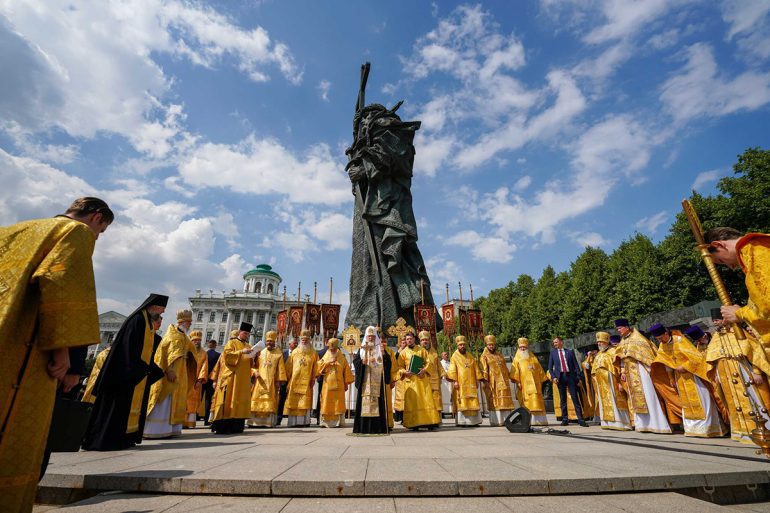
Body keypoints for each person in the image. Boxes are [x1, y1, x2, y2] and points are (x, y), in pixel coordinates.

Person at [0, 197, 112, 511]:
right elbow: (62, 288)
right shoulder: (74, 232)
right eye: (100, 231)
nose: (97, 238)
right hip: (28, 351)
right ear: (95, 217)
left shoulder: (17, 230)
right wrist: (65, 352)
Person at [83, 293, 168, 451]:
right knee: (114, 408)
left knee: (124, 409)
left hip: (134, 369)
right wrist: (140, 368)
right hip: (123, 372)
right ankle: (104, 440)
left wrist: (149, 368)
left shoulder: (146, 322)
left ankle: (124, 438)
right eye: (162, 309)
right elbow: (128, 348)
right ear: (154, 306)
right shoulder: (137, 320)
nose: (162, 313)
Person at [704, 312, 770, 443]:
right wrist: (716, 375)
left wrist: (756, 371)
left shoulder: (738, 332)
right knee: (734, 403)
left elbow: (755, 350)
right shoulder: (716, 336)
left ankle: (763, 429)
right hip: (725, 376)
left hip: (742, 371)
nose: (716, 323)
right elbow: (713, 359)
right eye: (714, 321)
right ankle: (742, 432)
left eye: (718, 320)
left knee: (753, 400)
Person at [650, 323, 722, 437]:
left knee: (702, 399)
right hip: (679, 377)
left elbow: (696, 357)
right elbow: (666, 363)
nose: (660, 341)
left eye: (660, 338)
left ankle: (708, 428)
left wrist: (685, 366)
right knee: (686, 402)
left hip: (693, 375)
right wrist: (670, 378)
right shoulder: (662, 346)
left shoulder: (680, 340)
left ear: (666, 333)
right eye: (657, 339)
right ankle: (692, 428)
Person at [706, 227, 770, 350]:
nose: (730, 266)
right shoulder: (756, 248)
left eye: (721, 260)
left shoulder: (755, 251)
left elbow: (767, 305)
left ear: (718, 244)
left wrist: (738, 313)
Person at [143, 309, 196, 439]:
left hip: (181, 374)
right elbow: (162, 356)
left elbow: (193, 351)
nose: (190, 325)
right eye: (189, 322)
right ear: (182, 322)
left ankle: (172, 428)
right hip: (169, 374)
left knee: (176, 401)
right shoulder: (170, 336)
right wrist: (168, 370)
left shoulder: (184, 336)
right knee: (164, 401)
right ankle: (156, 430)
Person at [613, 318, 671, 434]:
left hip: (642, 370)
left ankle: (657, 424)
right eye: (617, 329)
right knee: (635, 399)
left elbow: (648, 355)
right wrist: (623, 371)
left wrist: (650, 369)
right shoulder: (623, 341)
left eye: (619, 328)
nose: (618, 331)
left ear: (626, 327)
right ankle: (643, 424)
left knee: (649, 396)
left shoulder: (638, 338)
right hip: (630, 373)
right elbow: (621, 358)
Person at [210, 322, 258, 434]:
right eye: (245, 333)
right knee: (228, 400)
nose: (246, 335)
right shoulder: (231, 343)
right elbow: (227, 356)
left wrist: (253, 356)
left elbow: (251, 364)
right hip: (232, 377)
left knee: (240, 401)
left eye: (248, 334)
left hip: (243, 379)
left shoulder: (249, 346)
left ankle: (237, 426)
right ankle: (224, 426)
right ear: (240, 332)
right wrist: (241, 352)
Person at [352, 326, 392, 435]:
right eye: (369, 336)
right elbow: (355, 362)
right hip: (365, 379)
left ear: (375, 336)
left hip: (377, 381)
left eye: (373, 336)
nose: (370, 338)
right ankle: (362, 428)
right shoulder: (361, 348)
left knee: (378, 402)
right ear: (366, 336)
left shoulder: (380, 348)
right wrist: (361, 363)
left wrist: (384, 357)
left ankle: (377, 428)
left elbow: (388, 362)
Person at [397, 332, 440, 430]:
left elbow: (429, 362)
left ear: (414, 339)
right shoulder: (403, 353)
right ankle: (414, 424)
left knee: (426, 401)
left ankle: (429, 423)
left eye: (411, 339)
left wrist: (424, 370)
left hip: (422, 380)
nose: (409, 340)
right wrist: (404, 371)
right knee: (413, 403)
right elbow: (399, 366)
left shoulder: (422, 350)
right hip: (410, 381)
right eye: (407, 339)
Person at [591, 332, 632, 431]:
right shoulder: (598, 354)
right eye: (598, 343)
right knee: (603, 401)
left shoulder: (613, 351)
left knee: (614, 400)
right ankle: (607, 422)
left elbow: (618, 366)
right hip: (601, 383)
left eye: (601, 342)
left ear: (606, 342)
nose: (599, 344)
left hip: (612, 381)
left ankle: (620, 423)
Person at [548, 337, 587, 427]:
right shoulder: (553, 353)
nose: (555, 344)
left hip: (570, 377)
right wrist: (553, 377)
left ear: (561, 342)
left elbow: (576, 366)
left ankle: (581, 419)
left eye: (556, 342)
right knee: (563, 399)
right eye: (554, 343)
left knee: (575, 398)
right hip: (560, 377)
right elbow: (550, 368)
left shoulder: (569, 352)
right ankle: (565, 419)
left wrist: (578, 377)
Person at [250, 330, 287, 427]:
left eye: (271, 341)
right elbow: (252, 365)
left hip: (271, 382)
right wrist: (254, 372)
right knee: (256, 399)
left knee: (270, 400)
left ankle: (267, 422)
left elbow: (281, 368)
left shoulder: (278, 354)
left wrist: (279, 380)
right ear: (265, 342)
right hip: (259, 381)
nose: (269, 343)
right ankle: (254, 422)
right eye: (268, 341)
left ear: (274, 342)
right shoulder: (259, 353)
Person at [509, 337, 548, 426]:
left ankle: (539, 420)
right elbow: (514, 372)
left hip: (536, 384)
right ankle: (529, 420)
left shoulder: (533, 358)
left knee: (537, 401)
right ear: (519, 348)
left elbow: (539, 370)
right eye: (521, 347)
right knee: (527, 402)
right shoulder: (517, 359)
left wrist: (541, 381)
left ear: (527, 347)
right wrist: (517, 382)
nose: (523, 349)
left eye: (524, 347)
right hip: (524, 385)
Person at [283, 329, 318, 427]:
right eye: (302, 339)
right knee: (294, 402)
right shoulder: (294, 352)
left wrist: (313, 378)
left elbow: (316, 367)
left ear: (309, 340)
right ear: (300, 340)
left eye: (306, 339)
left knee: (304, 402)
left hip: (307, 382)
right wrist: (287, 380)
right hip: (294, 381)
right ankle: (293, 422)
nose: (304, 341)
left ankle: (304, 422)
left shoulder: (313, 353)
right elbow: (288, 367)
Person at [316, 338, 354, 427]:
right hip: (327, 384)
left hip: (339, 384)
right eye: (330, 347)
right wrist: (328, 362)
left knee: (338, 403)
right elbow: (318, 369)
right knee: (326, 402)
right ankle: (326, 422)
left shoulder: (342, 357)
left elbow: (346, 371)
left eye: (334, 347)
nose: (332, 349)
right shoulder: (326, 356)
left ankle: (338, 422)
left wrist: (346, 383)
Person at [478, 334, 515, 426]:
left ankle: (507, 420)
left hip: (504, 380)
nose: (491, 346)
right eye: (489, 345)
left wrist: (510, 376)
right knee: (495, 400)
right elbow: (484, 369)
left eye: (493, 345)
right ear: (486, 345)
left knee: (505, 400)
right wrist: (485, 381)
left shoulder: (499, 354)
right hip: (493, 381)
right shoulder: (484, 356)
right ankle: (497, 420)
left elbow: (505, 367)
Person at [446, 335, 482, 427]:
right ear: (457, 346)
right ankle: (463, 422)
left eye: (463, 345)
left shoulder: (470, 355)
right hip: (460, 383)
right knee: (462, 402)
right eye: (460, 345)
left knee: (472, 401)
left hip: (471, 383)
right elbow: (452, 370)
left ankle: (474, 421)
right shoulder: (454, 356)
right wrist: (455, 381)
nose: (462, 346)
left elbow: (475, 368)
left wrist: (477, 380)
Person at [185, 330, 208, 428]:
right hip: (185, 379)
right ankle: (180, 422)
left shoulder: (203, 353)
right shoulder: (186, 350)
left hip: (196, 381)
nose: (197, 342)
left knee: (193, 401)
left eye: (198, 340)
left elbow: (204, 367)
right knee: (183, 400)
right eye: (195, 340)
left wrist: (200, 380)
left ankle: (190, 422)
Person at [419, 331, 445, 420]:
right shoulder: (418, 351)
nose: (425, 341)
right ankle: (426, 419)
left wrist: (442, 374)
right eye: (423, 340)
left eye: (426, 339)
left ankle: (437, 419)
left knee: (436, 399)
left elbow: (438, 365)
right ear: (420, 341)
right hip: (423, 379)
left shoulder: (434, 352)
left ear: (429, 340)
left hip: (435, 379)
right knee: (425, 399)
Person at [277, 338, 298, 426]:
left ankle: (293, 420)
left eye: (297, 343)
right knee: (281, 400)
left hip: (295, 381)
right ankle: (278, 418)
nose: (296, 345)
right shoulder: (283, 354)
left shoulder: (299, 354)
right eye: (294, 343)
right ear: (289, 344)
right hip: (284, 381)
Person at [380, 334, 399, 429]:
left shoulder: (390, 351)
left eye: (384, 339)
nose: (382, 341)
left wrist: (393, 380)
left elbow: (394, 367)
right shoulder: (374, 350)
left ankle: (388, 423)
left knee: (387, 401)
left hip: (386, 379)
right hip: (376, 379)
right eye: (381, 339)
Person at [202, 339, 220, 425]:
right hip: (211, 380)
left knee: (199, 398)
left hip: (201, 379)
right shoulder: (217, 355)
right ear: (215, 345)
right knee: (208, 400)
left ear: (208, 345)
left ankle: (193, 417)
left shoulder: (203, 354)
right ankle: (206, 419)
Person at [393, 337, 407, 423]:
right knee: (400, 398)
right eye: (403, 343)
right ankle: (400, 417)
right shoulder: (397, 353)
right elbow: (394, 362)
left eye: (405, 343)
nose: (404, 344)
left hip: (409, 377)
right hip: (400, 379)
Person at [440, 351, 453, 416]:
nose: (446, 355)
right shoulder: (441, 363)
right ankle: (444, 412)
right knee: (445, 396)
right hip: (444, 382)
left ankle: (450, 410)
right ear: (442, 356)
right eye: (445, 354)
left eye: (447, 354)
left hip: (449, 381)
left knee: (450, 396)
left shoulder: (450, 363)